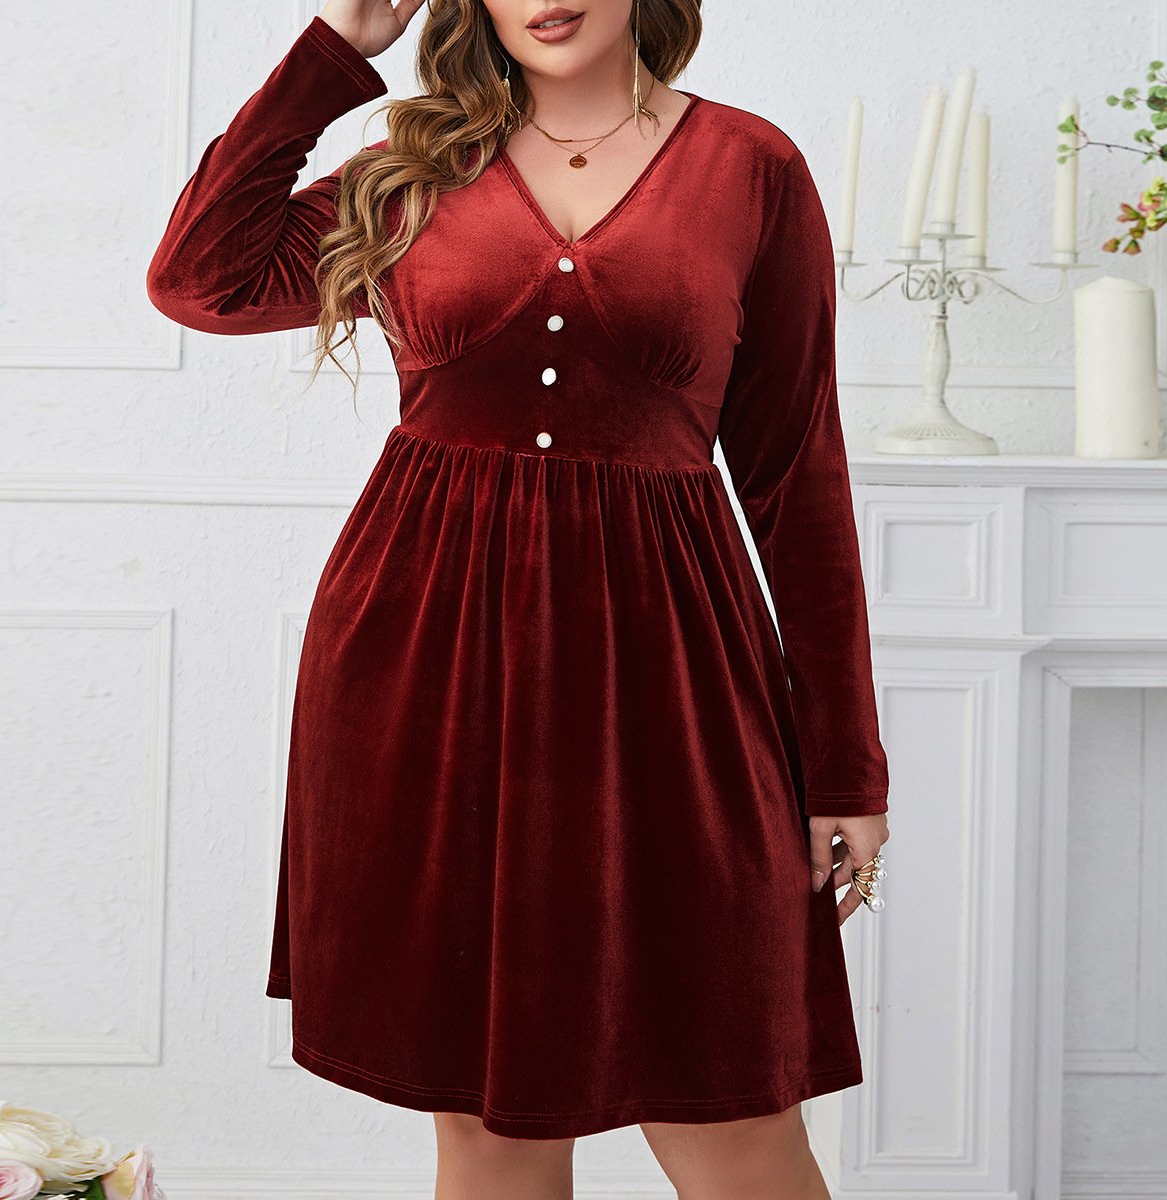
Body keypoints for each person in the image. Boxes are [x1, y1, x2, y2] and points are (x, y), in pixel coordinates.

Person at [146, 0, 891, 1195]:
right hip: (428, 672)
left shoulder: (752, 167)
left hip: (675, 686)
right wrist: (335, 51)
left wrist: (845, 763)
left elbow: (797, 473)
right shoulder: (410, 169)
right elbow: (198, 279)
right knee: (491, 1129)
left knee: (736, 1113)